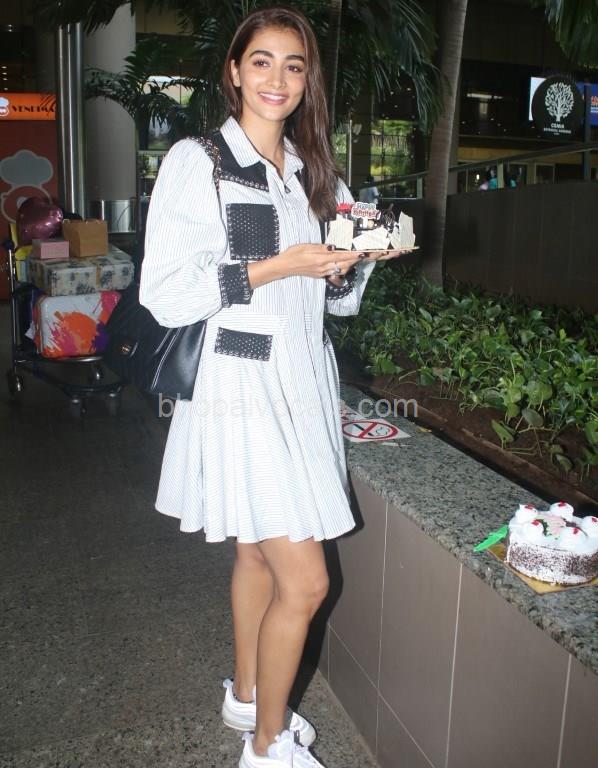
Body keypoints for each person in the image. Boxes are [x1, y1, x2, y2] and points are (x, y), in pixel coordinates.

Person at [140, 7, 405, 767]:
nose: (277, 79)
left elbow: (330, 302)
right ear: (234, 70)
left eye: (294, 65)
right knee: (307, 583)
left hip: (303, 378)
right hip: (240, 382)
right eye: (262, 61)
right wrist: (277, 266)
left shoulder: (315, 173)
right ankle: (266, 747)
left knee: (258, 557)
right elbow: (166, 292)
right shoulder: (200, 162)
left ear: (307, 78)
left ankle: (248, 697)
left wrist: (351, 264)